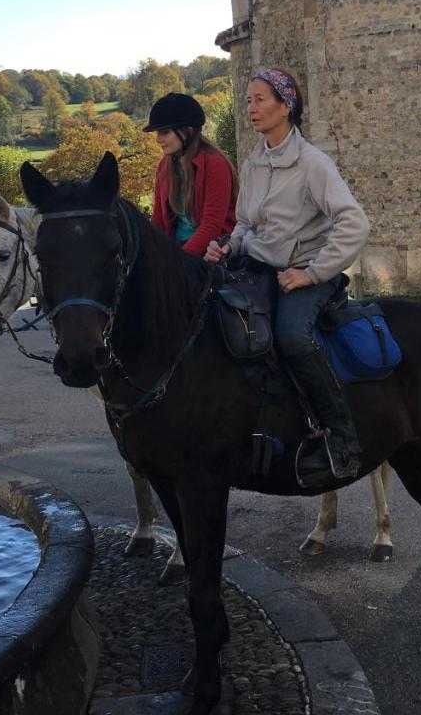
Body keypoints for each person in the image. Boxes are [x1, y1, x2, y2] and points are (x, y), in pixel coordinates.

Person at [205, 68, 370, 486]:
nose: (251, 108)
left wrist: (313, 273)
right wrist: (228, 245)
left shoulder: (314, 164)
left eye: (260, 99)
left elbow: (355, 223)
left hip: (309, 274)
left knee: (292, 336)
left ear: (286, 106)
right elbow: (244, 224)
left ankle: (340, 437)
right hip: (259, 269)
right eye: (248, 100)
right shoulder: (254, 161)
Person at [144, 92, 237, 256]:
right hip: (177, 249)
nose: (158, 139)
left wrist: (178, 263)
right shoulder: (164, 167)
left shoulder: (215, 164)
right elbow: (158, 221)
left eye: (164, 132)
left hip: (213, 251)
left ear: (187, 131)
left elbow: (211, 226)